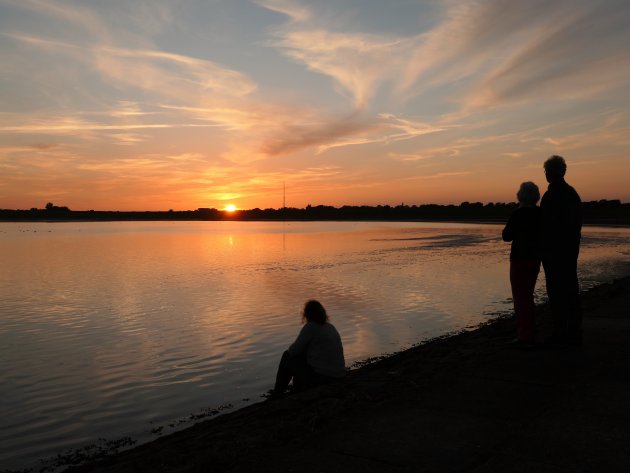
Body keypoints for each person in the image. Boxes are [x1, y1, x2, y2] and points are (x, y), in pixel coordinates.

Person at [540, 155, 583, 345]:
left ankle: (560, 332)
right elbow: (576, 224)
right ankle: (573, 330)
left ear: (551, 173)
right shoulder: (572, 193)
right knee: (571, 289)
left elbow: (547, 225)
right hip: (570, 249)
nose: (546, 175)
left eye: (546, 171)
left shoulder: (552, 195)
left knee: (556, 291)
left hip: (555, 251)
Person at [272, 300, 345, 396]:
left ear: (307, 314)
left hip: (324, 377)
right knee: (302, 358)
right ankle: (297, 390)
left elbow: (293, 351)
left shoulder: (311, 327)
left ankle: (277, 393)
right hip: (339, 375)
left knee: (287, 356)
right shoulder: (330, 327)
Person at [502, 182, 542, 346]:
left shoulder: (518, 214)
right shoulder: (541, 214)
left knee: (520, 298)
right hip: (535, 258)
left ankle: (525, 336)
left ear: (521, 196)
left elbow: (506, 236)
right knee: (528, 296)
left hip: (519, 258)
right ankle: (529, 332)